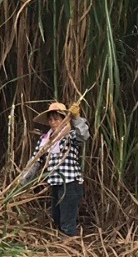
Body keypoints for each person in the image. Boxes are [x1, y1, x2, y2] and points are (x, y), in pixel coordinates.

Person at [25, 101, 90, 237]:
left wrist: (77, 118)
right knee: (57, 218)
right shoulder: (45, 140)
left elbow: (84, 135)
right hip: (55, 183)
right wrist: (22, 181)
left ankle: (71, 249)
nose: (53, 122)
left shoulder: (70, 136)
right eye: (50, 119)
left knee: (67, 222)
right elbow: (35, 160)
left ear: (63, 120)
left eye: (56, 119)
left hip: (70, 183)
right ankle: (65, 245)